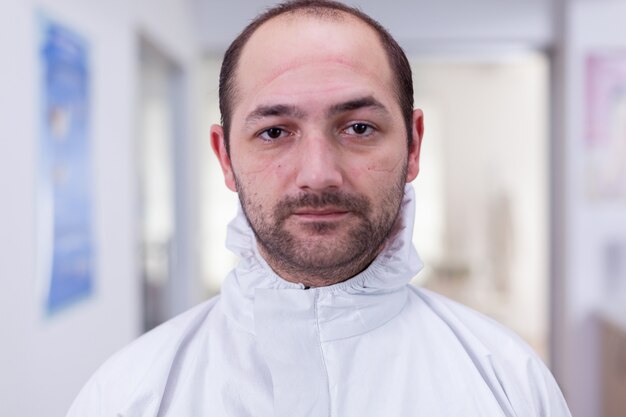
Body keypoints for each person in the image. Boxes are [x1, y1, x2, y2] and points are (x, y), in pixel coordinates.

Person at [67, 1, 572, 416]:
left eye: (358, 127)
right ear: (225, 157)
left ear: (413, 146)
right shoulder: (128, 395)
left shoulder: (510, 383)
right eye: (274, 132)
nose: (318, 173)